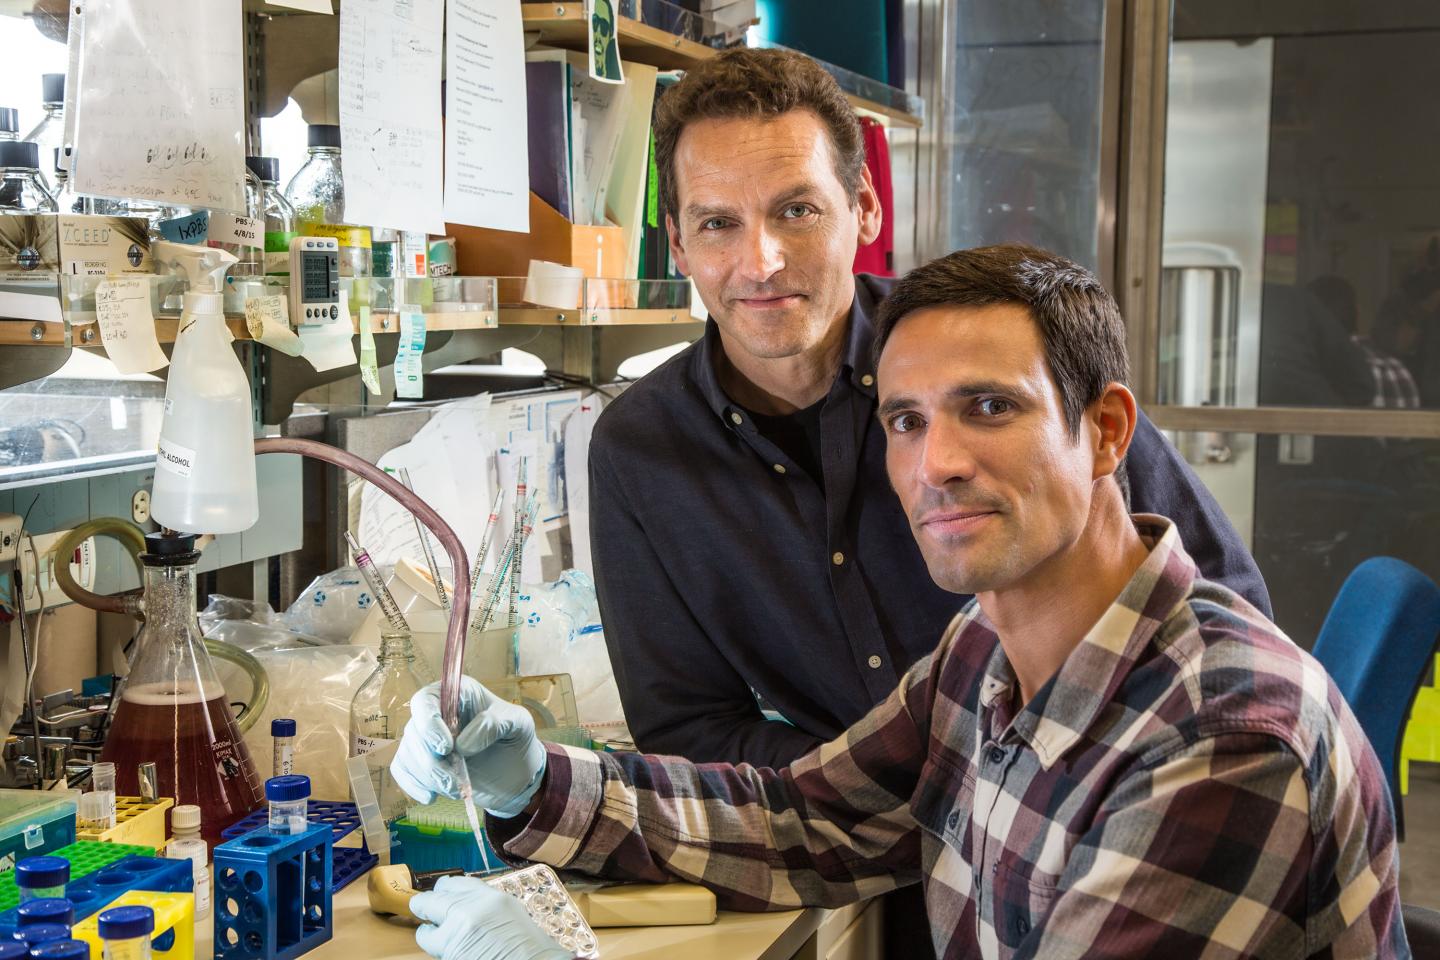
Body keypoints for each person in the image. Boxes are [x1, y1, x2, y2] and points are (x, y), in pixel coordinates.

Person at [393, 246, 1406, 960]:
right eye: (906, 421)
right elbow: (807, 821)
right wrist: (535, 784)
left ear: (1105, 434)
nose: (936, 465)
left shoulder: (1219, 745)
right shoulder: (988, 652)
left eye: (990, 408)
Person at [589, 46, 1269, 775]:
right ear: (680, 245)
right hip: (853, 840)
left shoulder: (992, 354)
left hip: (1084, 799)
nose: (762, 261)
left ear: (865, 208)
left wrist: (1034, 786)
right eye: (719, 223)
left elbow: (1225, 613)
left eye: (797, 210)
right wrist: (894, 792)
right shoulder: (641, 451)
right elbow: (688, 726)